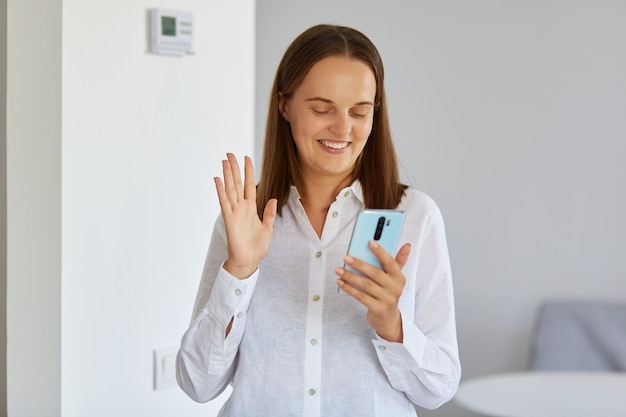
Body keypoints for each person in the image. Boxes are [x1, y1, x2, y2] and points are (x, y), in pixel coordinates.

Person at [176, 24, 461, 417]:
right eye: (322, 109)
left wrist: (391, 324)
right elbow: (197, 383)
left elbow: (439, 388)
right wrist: (239, 272)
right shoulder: (245, 219)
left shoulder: (416, 216)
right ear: (284, 106)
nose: (343, 129)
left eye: (360, 112)